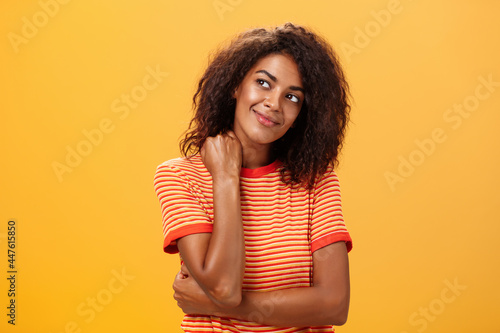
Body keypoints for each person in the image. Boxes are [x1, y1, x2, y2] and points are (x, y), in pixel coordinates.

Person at [154, 22, 353, 332]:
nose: (274, 103)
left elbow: (334, 305)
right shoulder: (180, 176)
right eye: (263, 83)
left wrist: (210, 304)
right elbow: (224, 287)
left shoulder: (316, 181)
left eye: (292, 98)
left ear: (303, 115)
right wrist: (225, 177)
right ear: (236, 85)